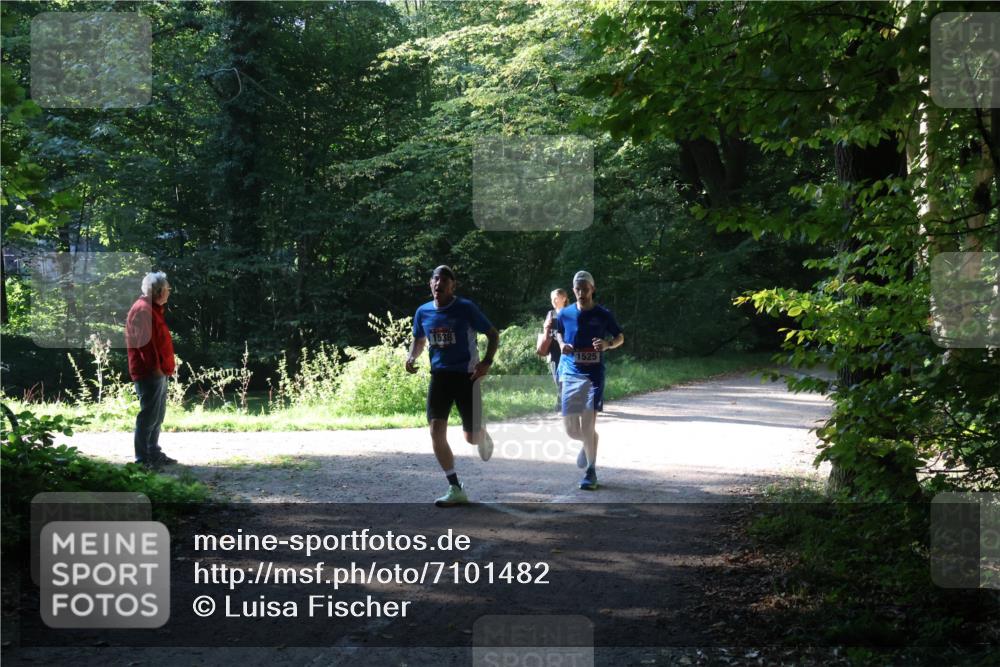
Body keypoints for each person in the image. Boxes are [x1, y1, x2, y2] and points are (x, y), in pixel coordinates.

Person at [406, 265, 499, 506]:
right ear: (430, 283)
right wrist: (412, 357)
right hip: (440, 377)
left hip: (467, 376)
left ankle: (482, 433)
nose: (439, 284)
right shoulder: (423, 312)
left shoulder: (465, 308)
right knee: (436, 430)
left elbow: (493, 333)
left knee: (472, 438)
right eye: (435, 279)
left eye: (444, 281)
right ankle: (455, 487)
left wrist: (487, 362)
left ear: (452, 286)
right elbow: (419, 339)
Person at [554, 271, 624, 490]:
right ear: (573, 290)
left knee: (588, 426)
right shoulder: (564, 313)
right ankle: (588, 443)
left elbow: (620, 336)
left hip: (593, 375)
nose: (581, 293)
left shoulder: (603, 314)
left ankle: (591, 472)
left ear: (593, 289)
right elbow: (558, 333)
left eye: (585, 289)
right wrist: (561, 344)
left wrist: (607, 345)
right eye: (577, 289)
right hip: (570, 372)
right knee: (571, 429)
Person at [125, 271, 177, 469]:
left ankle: (153, 452)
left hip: (159, 371)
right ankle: (143, 459)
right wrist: (155, 368)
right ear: (157, 291)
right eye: (167, 289)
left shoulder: (152, 309)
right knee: (148, 416)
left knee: (157, 415)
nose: (169, 293)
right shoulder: (143, 310)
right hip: (150, 372)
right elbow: (144, 345)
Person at [539, 288, 569, 406]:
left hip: (567, 350)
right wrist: (546, 326)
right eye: (552, 299)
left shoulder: (570, 312)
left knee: (566, 376)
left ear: (564, 298)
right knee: (556, 377)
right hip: (553, 350)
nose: (554, 301)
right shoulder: (550, 313)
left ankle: (561, 403)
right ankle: (562, 400)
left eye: (556, 298)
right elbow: (546, 331)